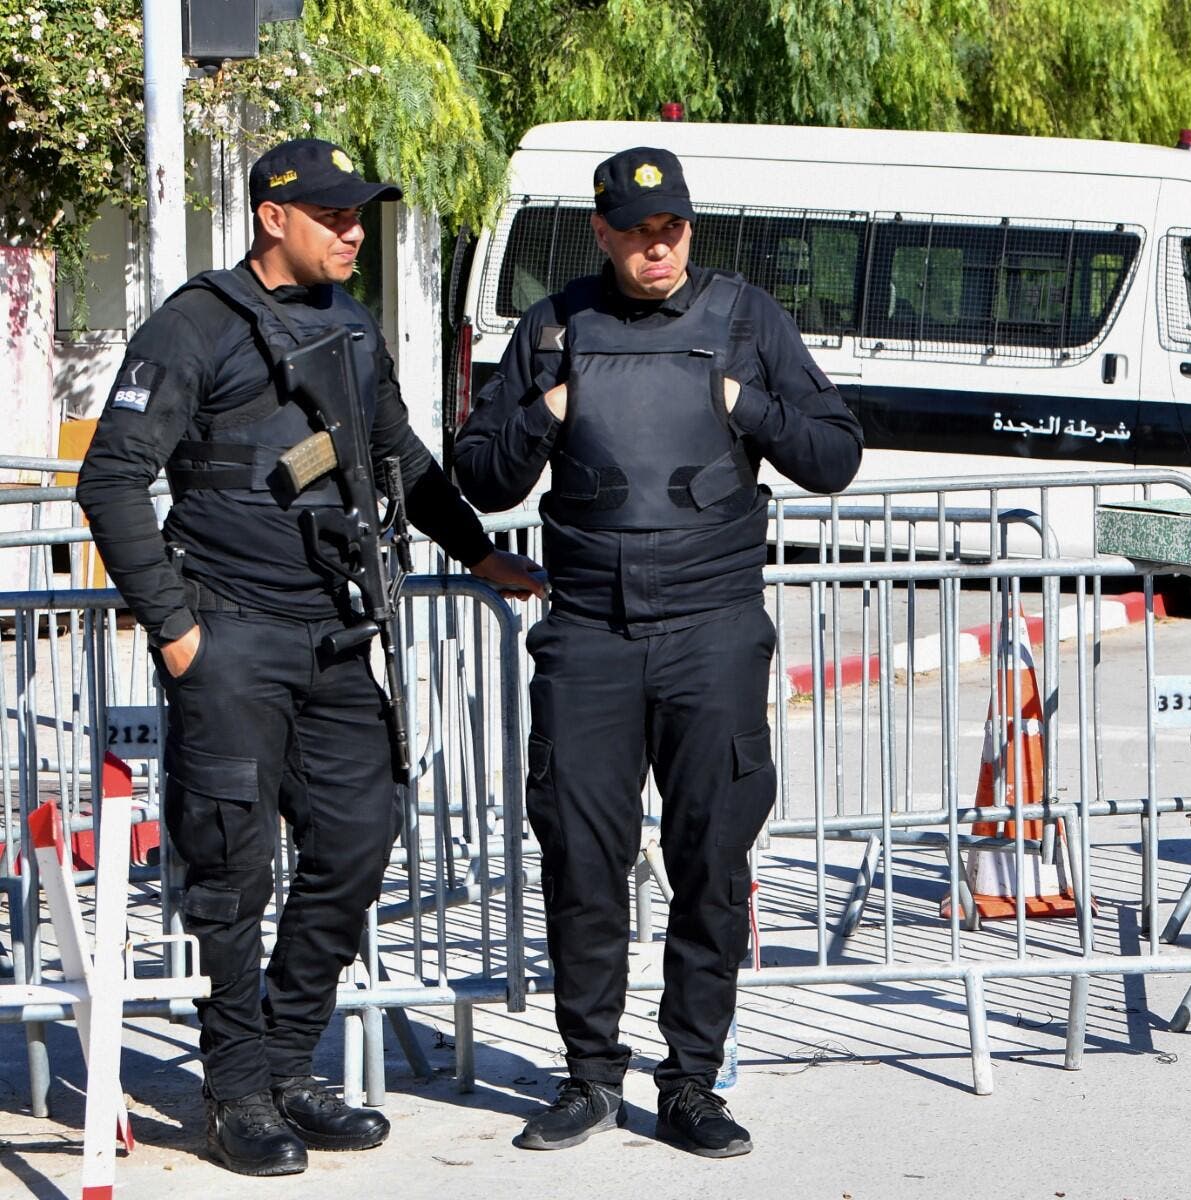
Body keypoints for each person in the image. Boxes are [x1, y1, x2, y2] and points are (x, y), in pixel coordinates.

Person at [76, 138, 545, 1178]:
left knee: (358, 838)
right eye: (332, 215)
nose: (351, 231)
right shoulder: (195, 324)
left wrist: (478, 550)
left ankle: (290, 1061)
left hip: (334, 635)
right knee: (232, 872)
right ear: (270, 217)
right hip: (230, 636)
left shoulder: (350, 325)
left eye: (359, 215)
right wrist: (178, 629)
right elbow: (112, 481)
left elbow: (403, 460)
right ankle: (236, 1090)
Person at [454, 146, 862, 1158]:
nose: (657, 247)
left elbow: (835, 455)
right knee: (584, 861)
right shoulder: (553, 327)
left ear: (690, 227)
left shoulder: (746, 320)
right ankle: (590, 1075)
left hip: (711, 633)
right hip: (589, 634)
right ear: (600, 233)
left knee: (710, 860)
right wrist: (549, 411)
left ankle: (691, 1082)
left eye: (672, 229)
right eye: (636, 233)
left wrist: (747, 406)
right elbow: (481, 475)